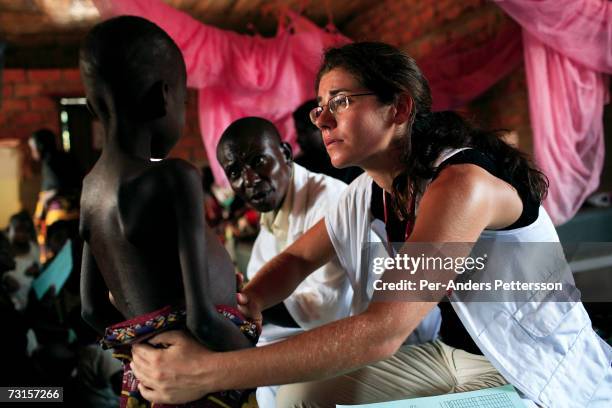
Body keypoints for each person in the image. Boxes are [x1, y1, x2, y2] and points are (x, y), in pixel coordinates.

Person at [130, 42, 611, 407]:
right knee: (296, 397)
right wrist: (251, 298)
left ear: (399, 108)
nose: (321, 118)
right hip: (451, 357)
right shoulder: (371, 190)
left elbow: (383, 329)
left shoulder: (462, 185)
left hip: (526, 369)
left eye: (339, 100)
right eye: (320, 106)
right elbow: (298, 257)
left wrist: (212, 372)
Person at [78, 16, 258, 408]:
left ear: (93, 106)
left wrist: (145, 349)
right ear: (164, 97)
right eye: (183, 99)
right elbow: (202, 319)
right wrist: (252, 356)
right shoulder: (175, 177)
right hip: (205, 380)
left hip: (152, 386)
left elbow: (92, 308)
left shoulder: (90, 189)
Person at [217, 117, 356, 406]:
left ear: (285, 154)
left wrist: (241, 303)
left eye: (258, 161)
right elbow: (262, 284)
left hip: (371, 337)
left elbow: (327, 307)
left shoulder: (330, 200)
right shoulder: (273, 215)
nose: (250, 179)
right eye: (235, 171)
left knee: (268, 380)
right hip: (322, 332)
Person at [29, 129, 82, 263]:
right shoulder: (69, 157)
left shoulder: (49, 163)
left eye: (32, 148)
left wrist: (46, 198)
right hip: (77, 216)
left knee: (62, 257)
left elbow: (57, 188)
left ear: (40, 147)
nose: (32, 152)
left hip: (59, 222)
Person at [293, 100, 362, 184]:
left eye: (303, 132)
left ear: (322, 127)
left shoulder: (355, 162)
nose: (299, 139)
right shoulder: (298, 168)